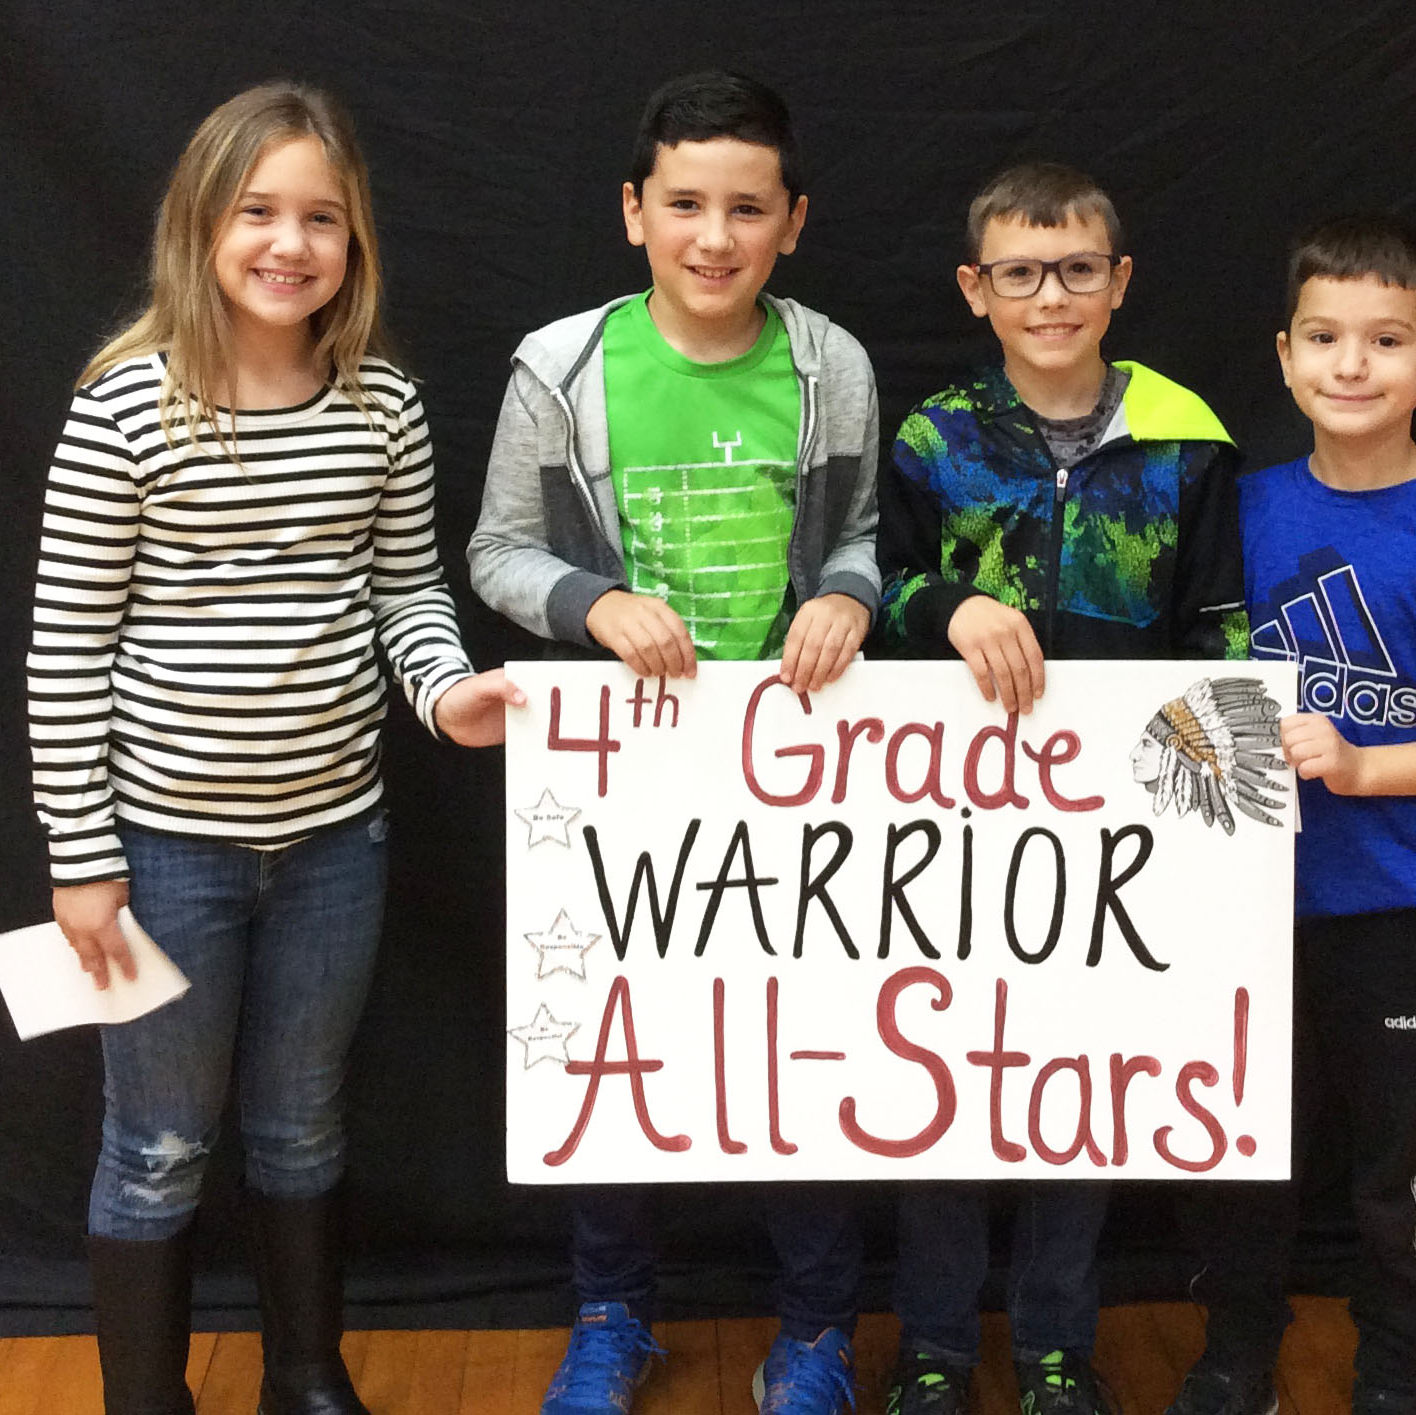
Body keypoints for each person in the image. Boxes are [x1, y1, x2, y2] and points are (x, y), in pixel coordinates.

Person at [28, 82, 521, 1415]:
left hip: (332, 843)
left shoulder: (382, 406)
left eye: (321, 216)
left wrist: (444, 692)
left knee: (302, 1121)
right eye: (258, 211)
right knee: (161, 1139)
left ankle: (305, 1370)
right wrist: (84, 860)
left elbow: (405, 590)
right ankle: (148, 1395)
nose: (288, 243)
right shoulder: (127, 406)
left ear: (353, 239)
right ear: (202, 222)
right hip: (162, 851)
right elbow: (66, 646)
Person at [465, 70, 878, 1415]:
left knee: (799, 1047)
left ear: (791, 222)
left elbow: (870, 535)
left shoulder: (830, 365)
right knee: (609, 1042)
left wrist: (846, 592)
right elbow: (494, 555)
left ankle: (814, 1330)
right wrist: (592, 603)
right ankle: (609, 1314)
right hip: (620, 769)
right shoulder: (560, 364)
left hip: (795, 769)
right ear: (634, 211)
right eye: (686, 203)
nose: (715, 236)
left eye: (745, 209)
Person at [873, 160, 1246, 1415]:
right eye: (1022, 273)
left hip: (1119, 838)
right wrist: (953, 604)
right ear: (978, 288)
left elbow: (1224, 629)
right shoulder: (934, 436)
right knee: (947, 1091)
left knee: (1074, 1097)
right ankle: (931, 1346)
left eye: (1078, 270)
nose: (1052, 295)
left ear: (1118, 282)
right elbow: (880, 589)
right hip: (956, 826)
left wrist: (1218, 831)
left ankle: (1053, 1347)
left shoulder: (1190, 436)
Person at [1165, 214, 1416, 1415]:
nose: (1351, 364)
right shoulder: (1235, 508)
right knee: (1241, 1152)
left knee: (1399, 1172)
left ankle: (1394, 1368)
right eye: (1325, 337)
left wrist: (1364, 767)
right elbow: (1177, 679)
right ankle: (1239, 1351)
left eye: (1385, 341)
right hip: (1241, 904)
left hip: (1399, 901)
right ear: (1284, 355)